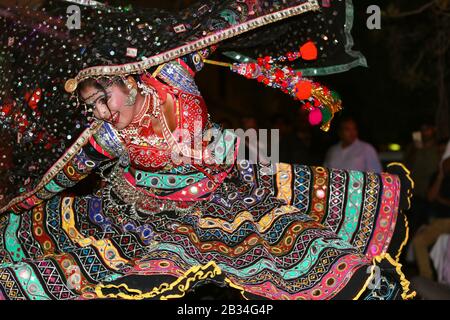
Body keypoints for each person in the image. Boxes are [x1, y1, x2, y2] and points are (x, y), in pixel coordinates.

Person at [0, 0, 414, 300]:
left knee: (293, 269)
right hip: (145, 223)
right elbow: (56, 180)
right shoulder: (106, 136)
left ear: (128, 80)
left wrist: (290, 5)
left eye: (104, 99)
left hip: (221, 198)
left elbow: (224, 21)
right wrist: (16, 204)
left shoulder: (175, 73)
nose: (102, 112)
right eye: (92, 107)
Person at [413, 139, 450, 280]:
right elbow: (430, 197)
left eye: (444, 153)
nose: (442, 157)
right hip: (439, 222)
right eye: (439, 153)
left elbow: (437, 199)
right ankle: (426, 278)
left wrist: (440, 200)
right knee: (418, 241)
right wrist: (440, 177)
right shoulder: (437, 176)